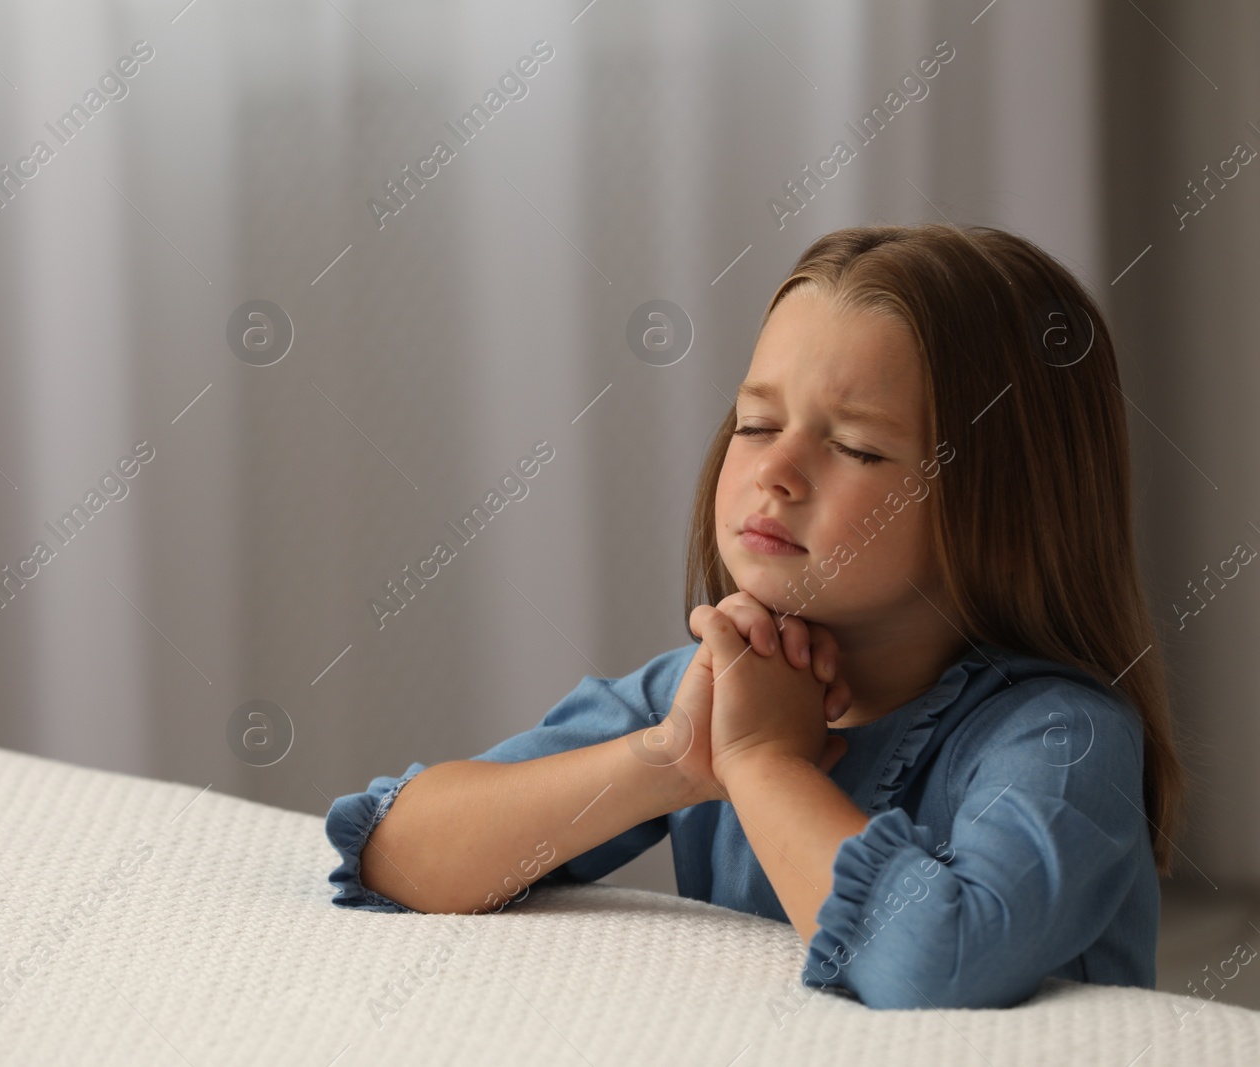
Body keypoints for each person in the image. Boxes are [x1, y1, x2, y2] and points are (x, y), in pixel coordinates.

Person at [322, 222, 1186, 1010]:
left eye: (855, 447)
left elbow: (937, 963)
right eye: (756, 421)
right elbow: (399, 853)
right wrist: (669, 760)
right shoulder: (710, 686)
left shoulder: (1065, 739)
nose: (777, 469)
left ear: (1008, 505)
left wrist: (763, 763)